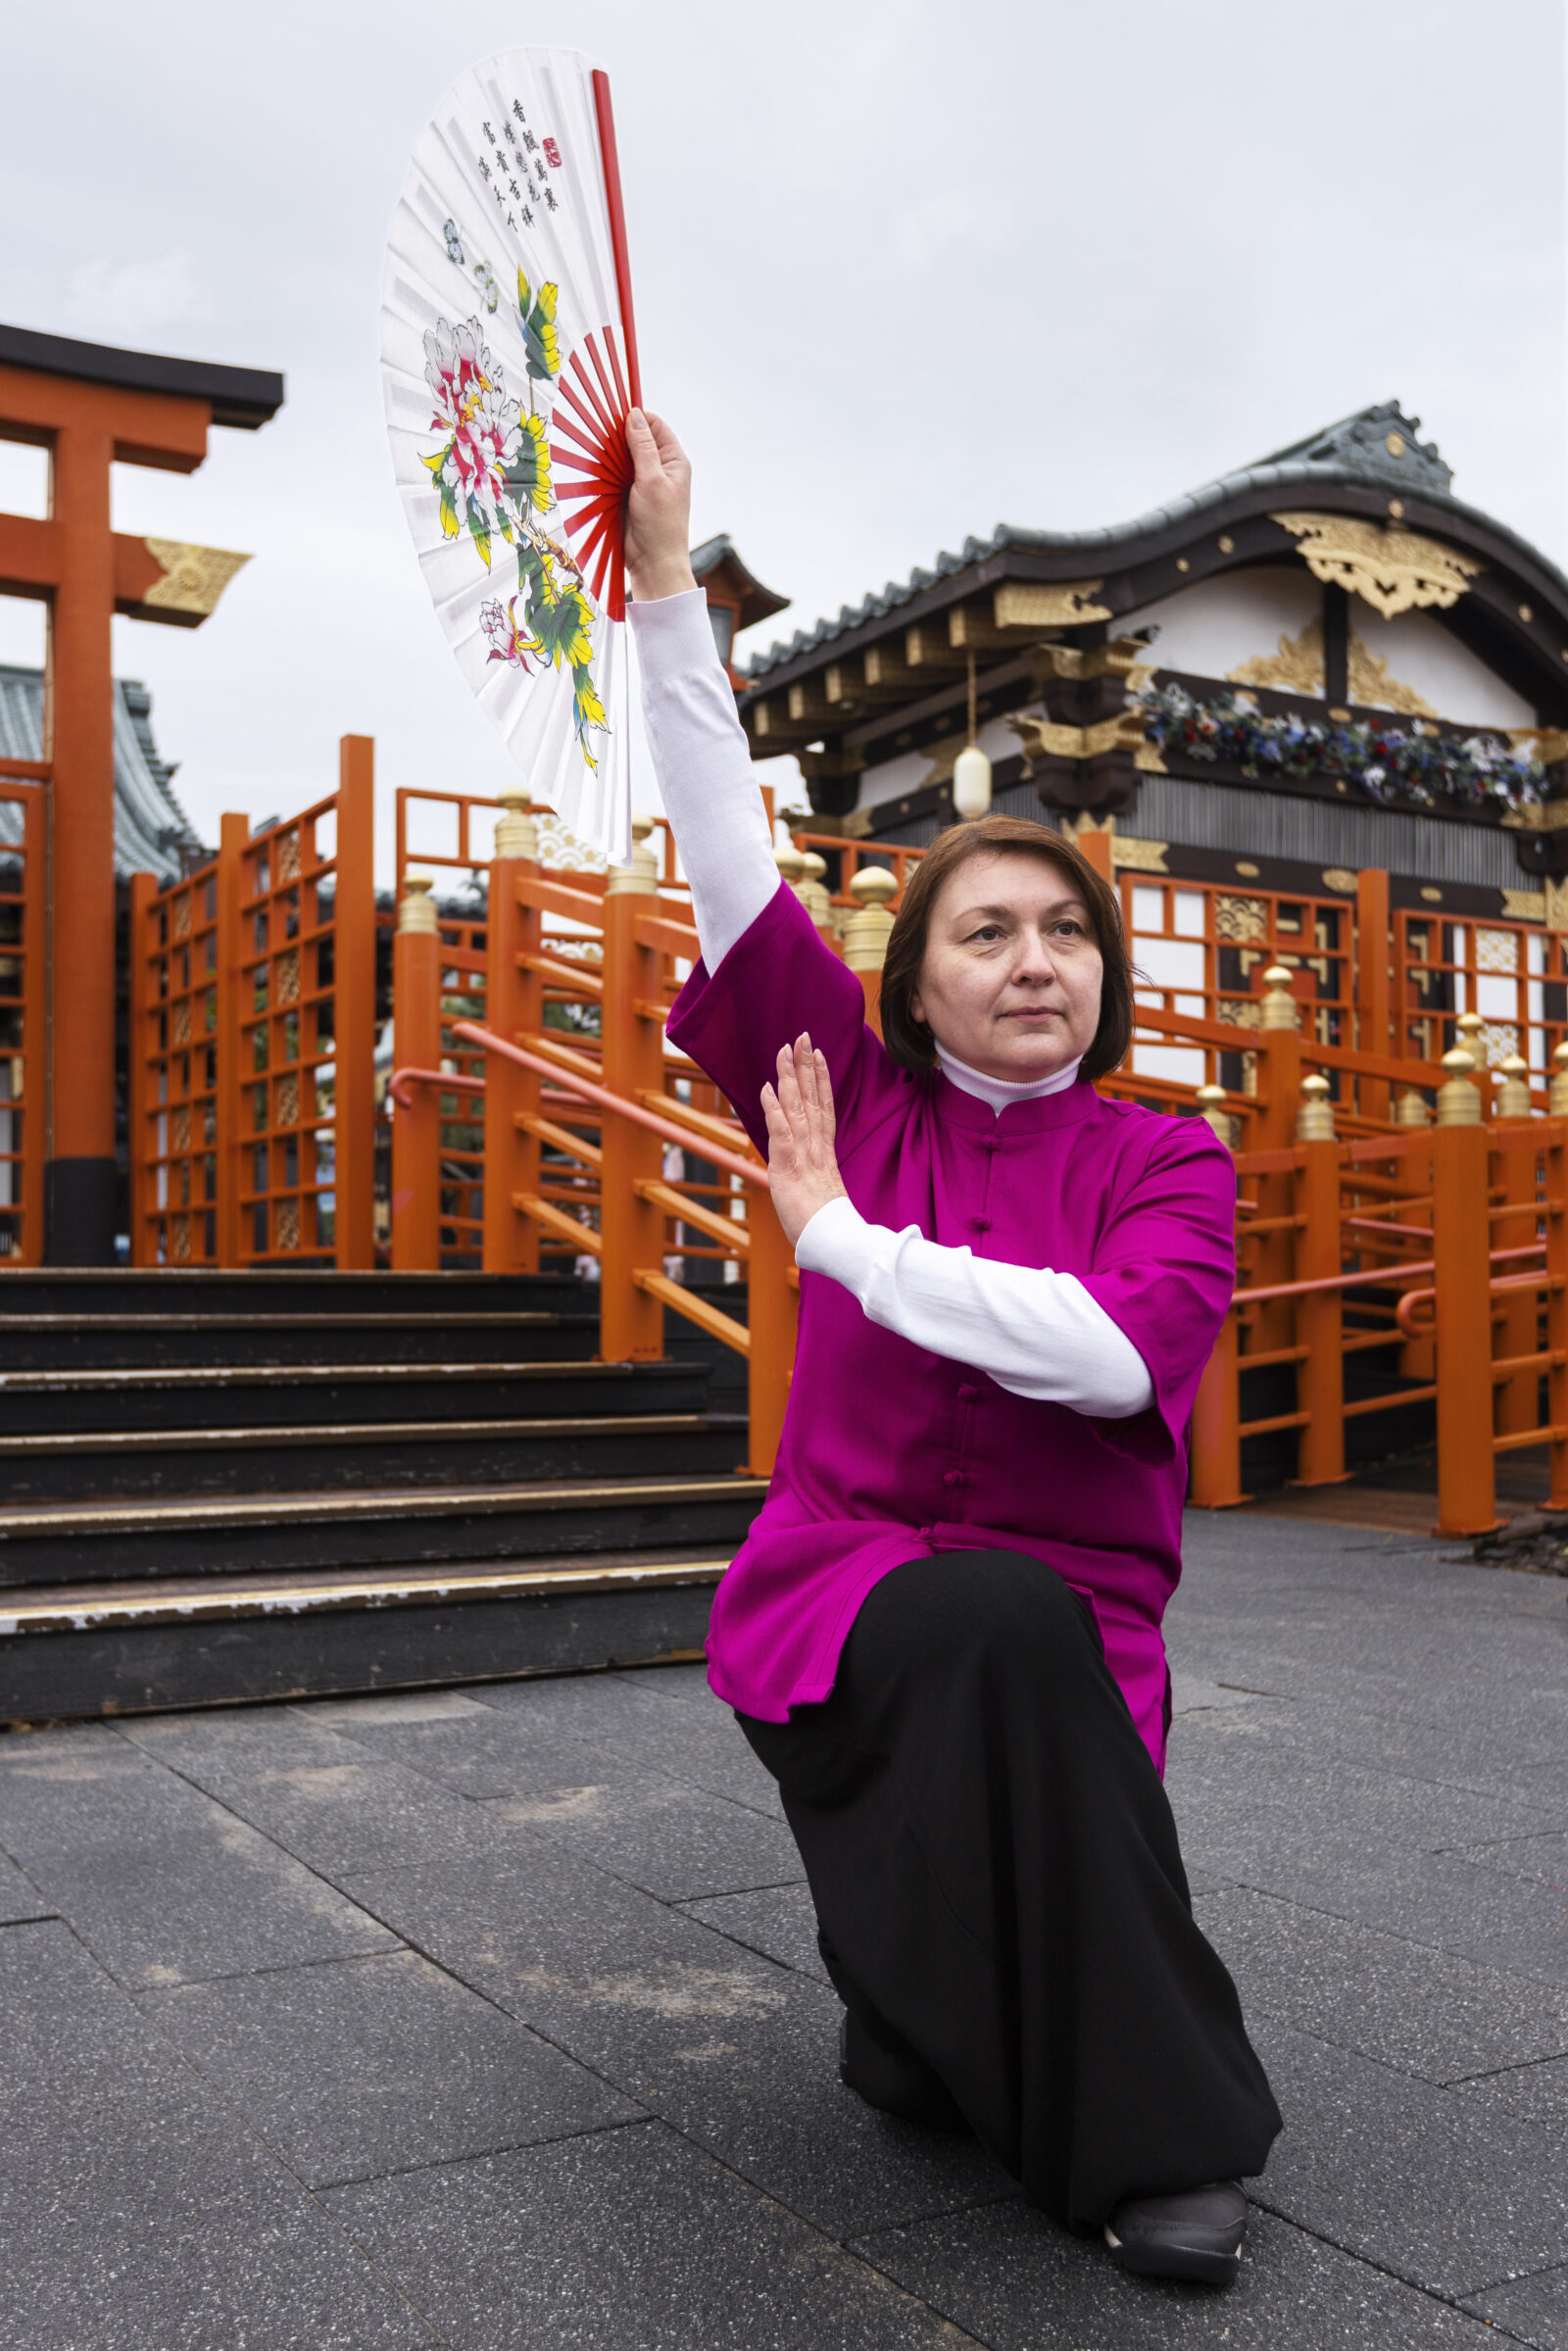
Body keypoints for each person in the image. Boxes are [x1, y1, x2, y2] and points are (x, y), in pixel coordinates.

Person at [620, 409, 1282, 2288]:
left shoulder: (1168, 1159)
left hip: (1086, 1623)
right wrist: (666, 588)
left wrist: (841, 1243)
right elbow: (727, 854)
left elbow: (1115, 1361)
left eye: (1067, 930)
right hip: (841, 1584)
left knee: (1018, 1631)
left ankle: (946, 2040)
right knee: (971, 1620)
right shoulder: (845, 1088)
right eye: (984, 932)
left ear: (1107, 972)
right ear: (913, 982)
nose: (1034, 959)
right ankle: (1131, 2119)